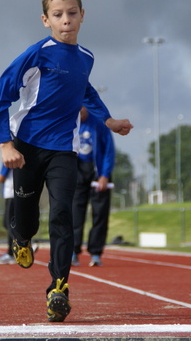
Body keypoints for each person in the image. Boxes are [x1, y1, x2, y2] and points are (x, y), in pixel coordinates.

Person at [0, 0, 133, 322]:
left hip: (63, 150)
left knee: (63, 215)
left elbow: (85, 90)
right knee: (26, 215)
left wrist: (109, 120)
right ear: (46, 20)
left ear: (82, 16)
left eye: (72, 13)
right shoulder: (36, 54)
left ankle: (58, 287)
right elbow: (2, 92)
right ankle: (22, 237)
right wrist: (5, 143)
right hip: (26, 146)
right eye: (58, 15)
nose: (66, 20)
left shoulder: (86, 58)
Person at [72, 107, 115, 268]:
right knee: (75, 213)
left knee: (99, 213)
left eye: (81, 108)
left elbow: (109, 150)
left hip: (98, 172)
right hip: (77, 172)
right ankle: (73, 252)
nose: (78, 112)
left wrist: (105, 174)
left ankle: (96, 253)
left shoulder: (99, 123)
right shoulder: (69, 123)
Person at [0, 164, 16, 265]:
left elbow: (0, 177)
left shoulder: (9, 159)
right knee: (9, 224)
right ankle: (20, 246)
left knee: (9, 224)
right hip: (14, 193)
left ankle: (13, 253)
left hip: (11, 193)